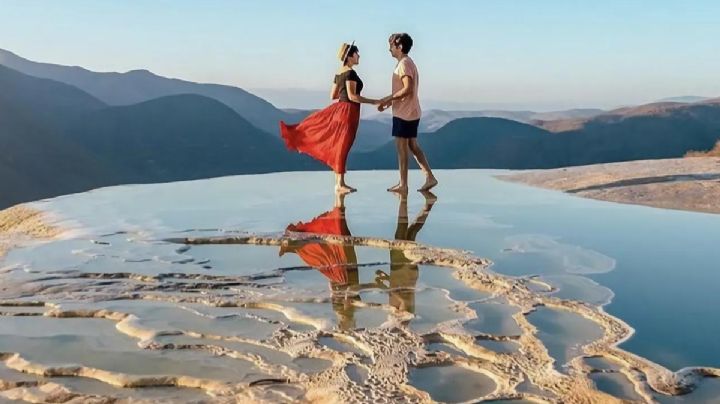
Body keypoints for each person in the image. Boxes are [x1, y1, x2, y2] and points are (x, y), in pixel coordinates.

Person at [280, 42, 381, 194]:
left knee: (339, 145)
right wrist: (374, 101)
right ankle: (340, 184)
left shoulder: (339, 73)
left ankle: (339, 183)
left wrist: (343, 95)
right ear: (349, 57)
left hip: (341, 109)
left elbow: (333, 95)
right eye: (357, 54)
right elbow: (353, 96)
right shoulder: (350, 73)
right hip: (349, 111)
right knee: (342, 146)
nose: (359, 56)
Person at [279, 193, 361, 330]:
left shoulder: (345, 307)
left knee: (341, 235)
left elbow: (341, 289)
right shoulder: (345, 307)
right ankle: (339, 197)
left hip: (344, 274)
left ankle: (340, 197)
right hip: (345, 273)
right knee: (341, 235)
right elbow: (339, 288)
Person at [378, 33, 438, 193]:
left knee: (402, 147)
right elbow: (405, 90)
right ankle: (429, 176)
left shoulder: (404, 64)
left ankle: (403, 184)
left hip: (404, 113)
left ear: (399, 46)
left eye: (391, 45)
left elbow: (407, 88)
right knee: (412, 145)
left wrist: (388, 98)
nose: (389, 49)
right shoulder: (407, 63)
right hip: (411, 110)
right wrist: (390, 102)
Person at [374, 191, 437, 325]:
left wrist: (385, 279)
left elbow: (399, 293)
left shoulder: (400, 315)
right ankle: (405, 199)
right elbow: (403, 299)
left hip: (403, 274)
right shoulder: (404, 316)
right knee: (403, 233)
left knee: (410, 233)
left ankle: (426, 204)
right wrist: (384, 287)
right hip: (404, 272)